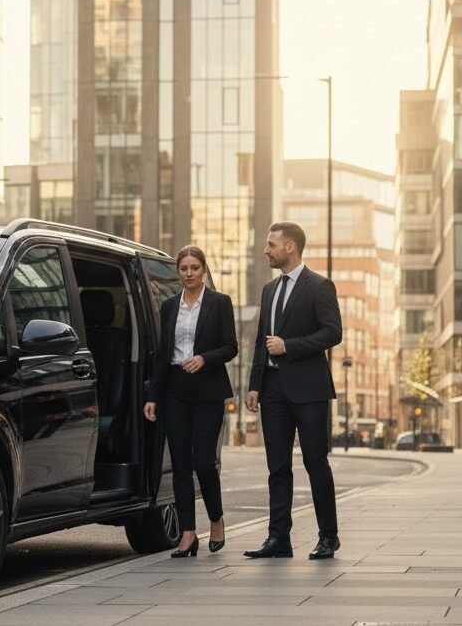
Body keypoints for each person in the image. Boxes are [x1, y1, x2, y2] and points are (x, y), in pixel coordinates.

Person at [243, 222, 343, 560]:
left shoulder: (319, 286)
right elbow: (261, 342)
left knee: (316, 462)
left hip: (310, 390)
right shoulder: (269, 289)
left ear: (290, 247)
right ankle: (278, 539)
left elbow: (332, 333)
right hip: (273, 392)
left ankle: (328, 537)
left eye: (271, 245)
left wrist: (290, 346)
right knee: (277, 468)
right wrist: (255, 385)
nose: (266, 250)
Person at [143, 245, 238, 558]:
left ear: (204, 269)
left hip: (208, 389)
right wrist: (153, 397)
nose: (188, 274)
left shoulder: (220, 302)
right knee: (180, 464)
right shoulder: (170, 306)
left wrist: (204, 359)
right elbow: (161, 354)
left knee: (203, 462)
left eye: (194, 268)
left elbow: (230, 347)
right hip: (175, 390)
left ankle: (216, 518)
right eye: (183, 269)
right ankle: (187, 533)